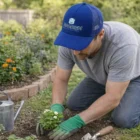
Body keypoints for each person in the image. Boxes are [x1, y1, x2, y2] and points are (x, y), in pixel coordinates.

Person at [37, 2, 140, 140]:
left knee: (123, 119)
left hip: (135, 76)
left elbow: (113, 97)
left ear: (101, 34)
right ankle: (111, 88)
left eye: (81, 44)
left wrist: (77, 121)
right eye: (72, 43)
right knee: (74, 103)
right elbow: (61, 78)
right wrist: (55, 108)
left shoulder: (123, 44)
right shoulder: (69, 41)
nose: (75, 51)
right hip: (102, 76)